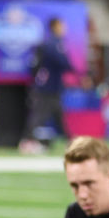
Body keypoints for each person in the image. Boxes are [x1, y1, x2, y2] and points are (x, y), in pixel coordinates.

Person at [18, 17, 73, 155]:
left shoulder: (47, 43)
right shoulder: (53, 43)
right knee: (40, 114)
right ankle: (27, 141)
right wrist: (74, 69)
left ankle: (70, 142)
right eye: (62, 26)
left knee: (58, 114)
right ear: (55, 27)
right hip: (49, 86)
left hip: (49, 85)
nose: (64, 29)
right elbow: (62, 61)